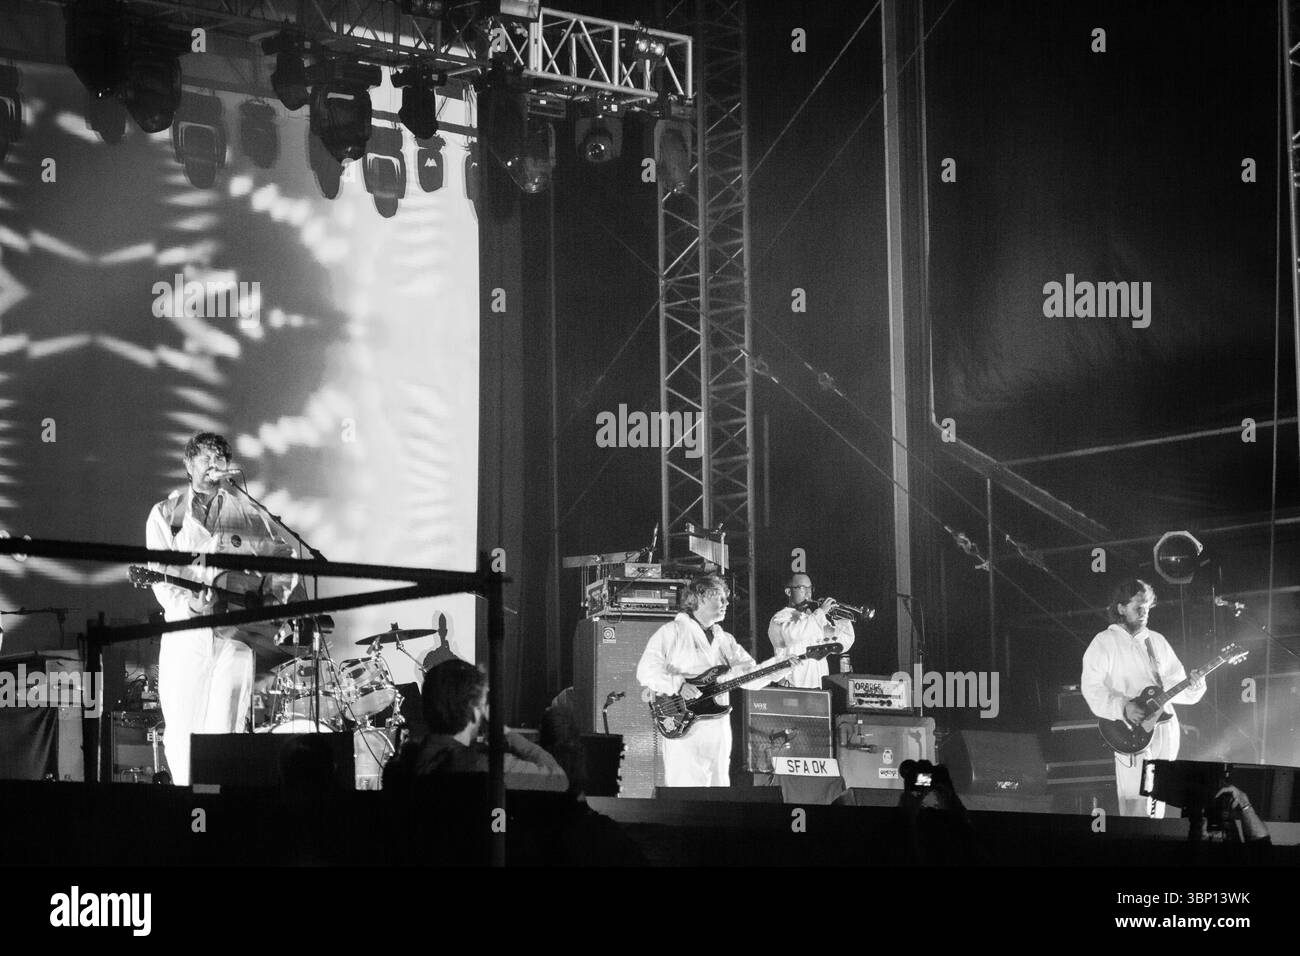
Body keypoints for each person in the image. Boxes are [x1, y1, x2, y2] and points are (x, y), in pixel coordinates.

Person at [145, 432, 299, 786]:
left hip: (236, 639)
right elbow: (160, 581)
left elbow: (285, 555)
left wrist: (273, 594)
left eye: (219, 461)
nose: (213, 467)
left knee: (224, 734)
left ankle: (220, 816)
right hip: (187, 638)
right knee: (183, 738)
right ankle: (190, 814)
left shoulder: (244, 512)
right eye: (205, 460)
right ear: (188, 465)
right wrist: (191, 606)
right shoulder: (167, 515)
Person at [636, 573, 777, 787]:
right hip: (685, 724)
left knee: (719, 788)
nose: (726, 603)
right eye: (720, 598)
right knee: (686, 787)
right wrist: (679, 685)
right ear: (700, 598)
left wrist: (784, 663)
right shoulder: (672, 632)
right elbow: (646, 670)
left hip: (718, 727)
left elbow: (751, 677)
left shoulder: (725, 640)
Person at [1081, 578, 1205, 818]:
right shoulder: (1104, 642)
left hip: (1164, 729)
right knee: (1136, 803)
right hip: (1130, 731)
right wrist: (1122, 707)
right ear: (1120, 608)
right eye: (1138, 606)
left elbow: (1176, 687)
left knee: (1157, 802)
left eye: (1147, 607)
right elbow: (1092, 689)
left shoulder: (1156, 641)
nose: (1144, 612)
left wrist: (1195, 686)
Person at [382, 659, 568, 792]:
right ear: (474, 710)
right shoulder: (488, 766)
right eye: (483, 704)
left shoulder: (399, 766)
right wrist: (506, 733)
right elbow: (558, 779)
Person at [767, 573, 856, 688]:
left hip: (819, 690)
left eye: (810, 588)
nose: (808, 593)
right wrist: (820, 613)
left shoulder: (816, 619)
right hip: (793, 689)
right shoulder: (779, 619)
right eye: (802, 588)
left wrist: (841, 619)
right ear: (788, 592)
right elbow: (794, 635)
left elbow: (842, 643)